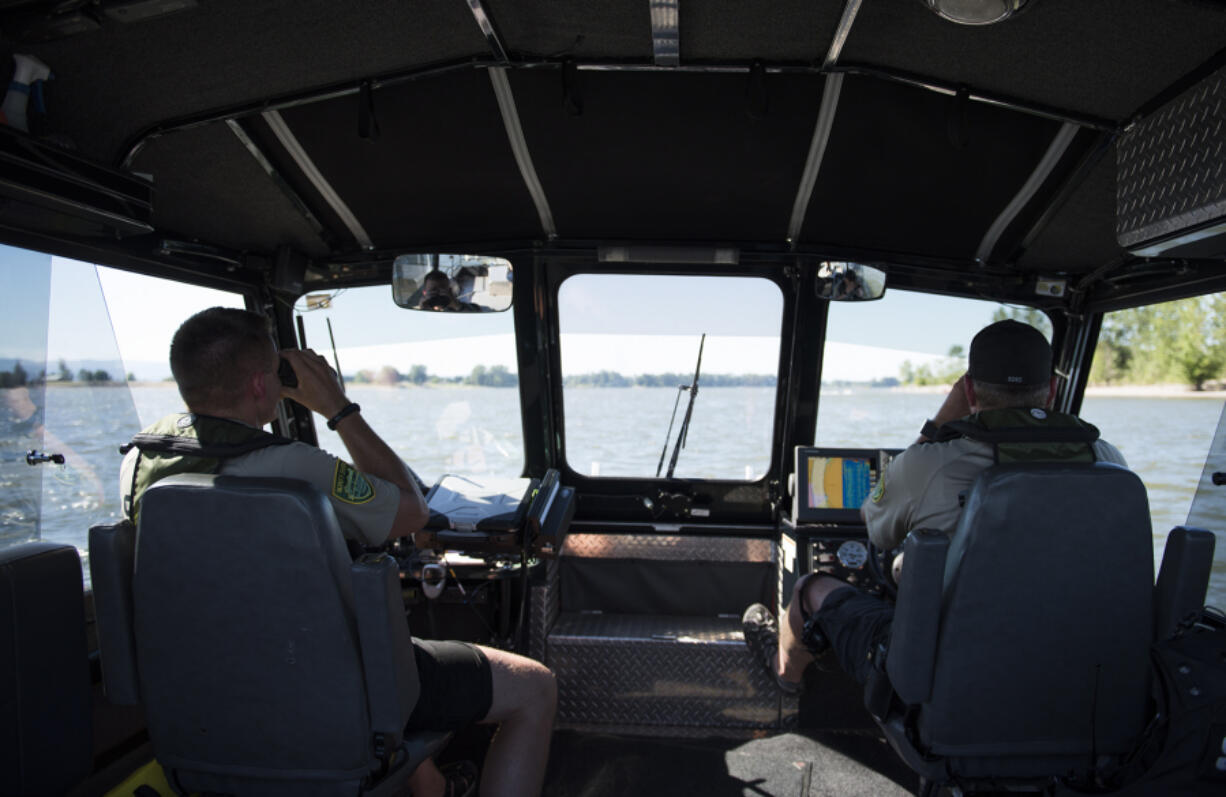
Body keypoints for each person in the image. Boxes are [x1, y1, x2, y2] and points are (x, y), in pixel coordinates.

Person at [120, 307, 556, 797]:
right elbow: (411, 511)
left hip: (201, 693)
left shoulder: (141, 460)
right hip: (317, 690)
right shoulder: (293, 466)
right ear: (264, 385)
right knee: (534, 686)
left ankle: (431, 786)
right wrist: (338, 408)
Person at [742, 320, 1127, 693]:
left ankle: (786, 680)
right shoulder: (1107, 458)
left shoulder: (931, 462)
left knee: (810, 587)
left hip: (950, 665)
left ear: (970, 392)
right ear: (1053, 391)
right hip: (1072, 658)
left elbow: (876, 527)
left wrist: (937, 425)